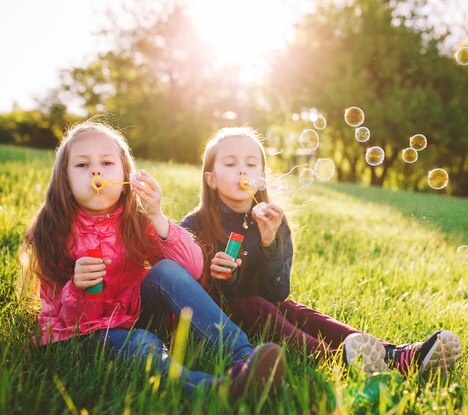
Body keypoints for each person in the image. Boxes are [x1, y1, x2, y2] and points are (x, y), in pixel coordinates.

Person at [20, 121, 285, 402]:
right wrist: (77, 287)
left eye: (107, 163)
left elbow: (193, 267)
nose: (96, 171)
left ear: (126, 176)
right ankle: (217, 389)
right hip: (83, 332)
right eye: (82, 165)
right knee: (143, 344)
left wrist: (157, 216)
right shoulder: (54, 229)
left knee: (167, 271)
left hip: (135, 314)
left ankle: (243, 357)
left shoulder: (134, 219)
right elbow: (59, 318)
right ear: (65, 179)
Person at [181, 127, 462, 377]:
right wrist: (223, 279)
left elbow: (277, 293)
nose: (242, 170)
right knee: (254, 305)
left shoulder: (273, 223)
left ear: (262, 177)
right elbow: (188, 298)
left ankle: (393, 354)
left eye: (251, 163)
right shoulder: (194, 226)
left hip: (264, 311)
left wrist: (269, 243)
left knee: (291, 309)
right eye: (230, 163)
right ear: (211, 179)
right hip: (219, 325)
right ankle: (338, 360)